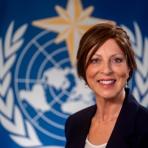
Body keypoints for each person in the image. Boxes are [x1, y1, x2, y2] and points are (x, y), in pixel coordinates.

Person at [64, 23, 148, 148]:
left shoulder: (145, 124)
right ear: (84, 69)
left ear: (129, 67)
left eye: (117, 60)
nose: (106, 70)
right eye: (95, 60)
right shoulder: (74, 123)